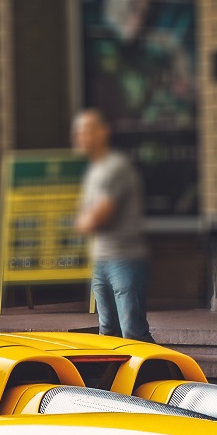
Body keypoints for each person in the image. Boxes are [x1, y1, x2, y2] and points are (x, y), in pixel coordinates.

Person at [73, 109, 154, 342]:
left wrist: (86, 220)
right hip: (101, 260)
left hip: (125, 259)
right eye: (78, 132)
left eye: (86, 131)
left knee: (134, 333)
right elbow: (85, 217)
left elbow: (99, 216)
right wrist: (85, 219)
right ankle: (118, 379)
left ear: (102, 133)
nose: (80, 137)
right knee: (108, 332)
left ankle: (163, 373)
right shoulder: (94, 171)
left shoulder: (116, 167)